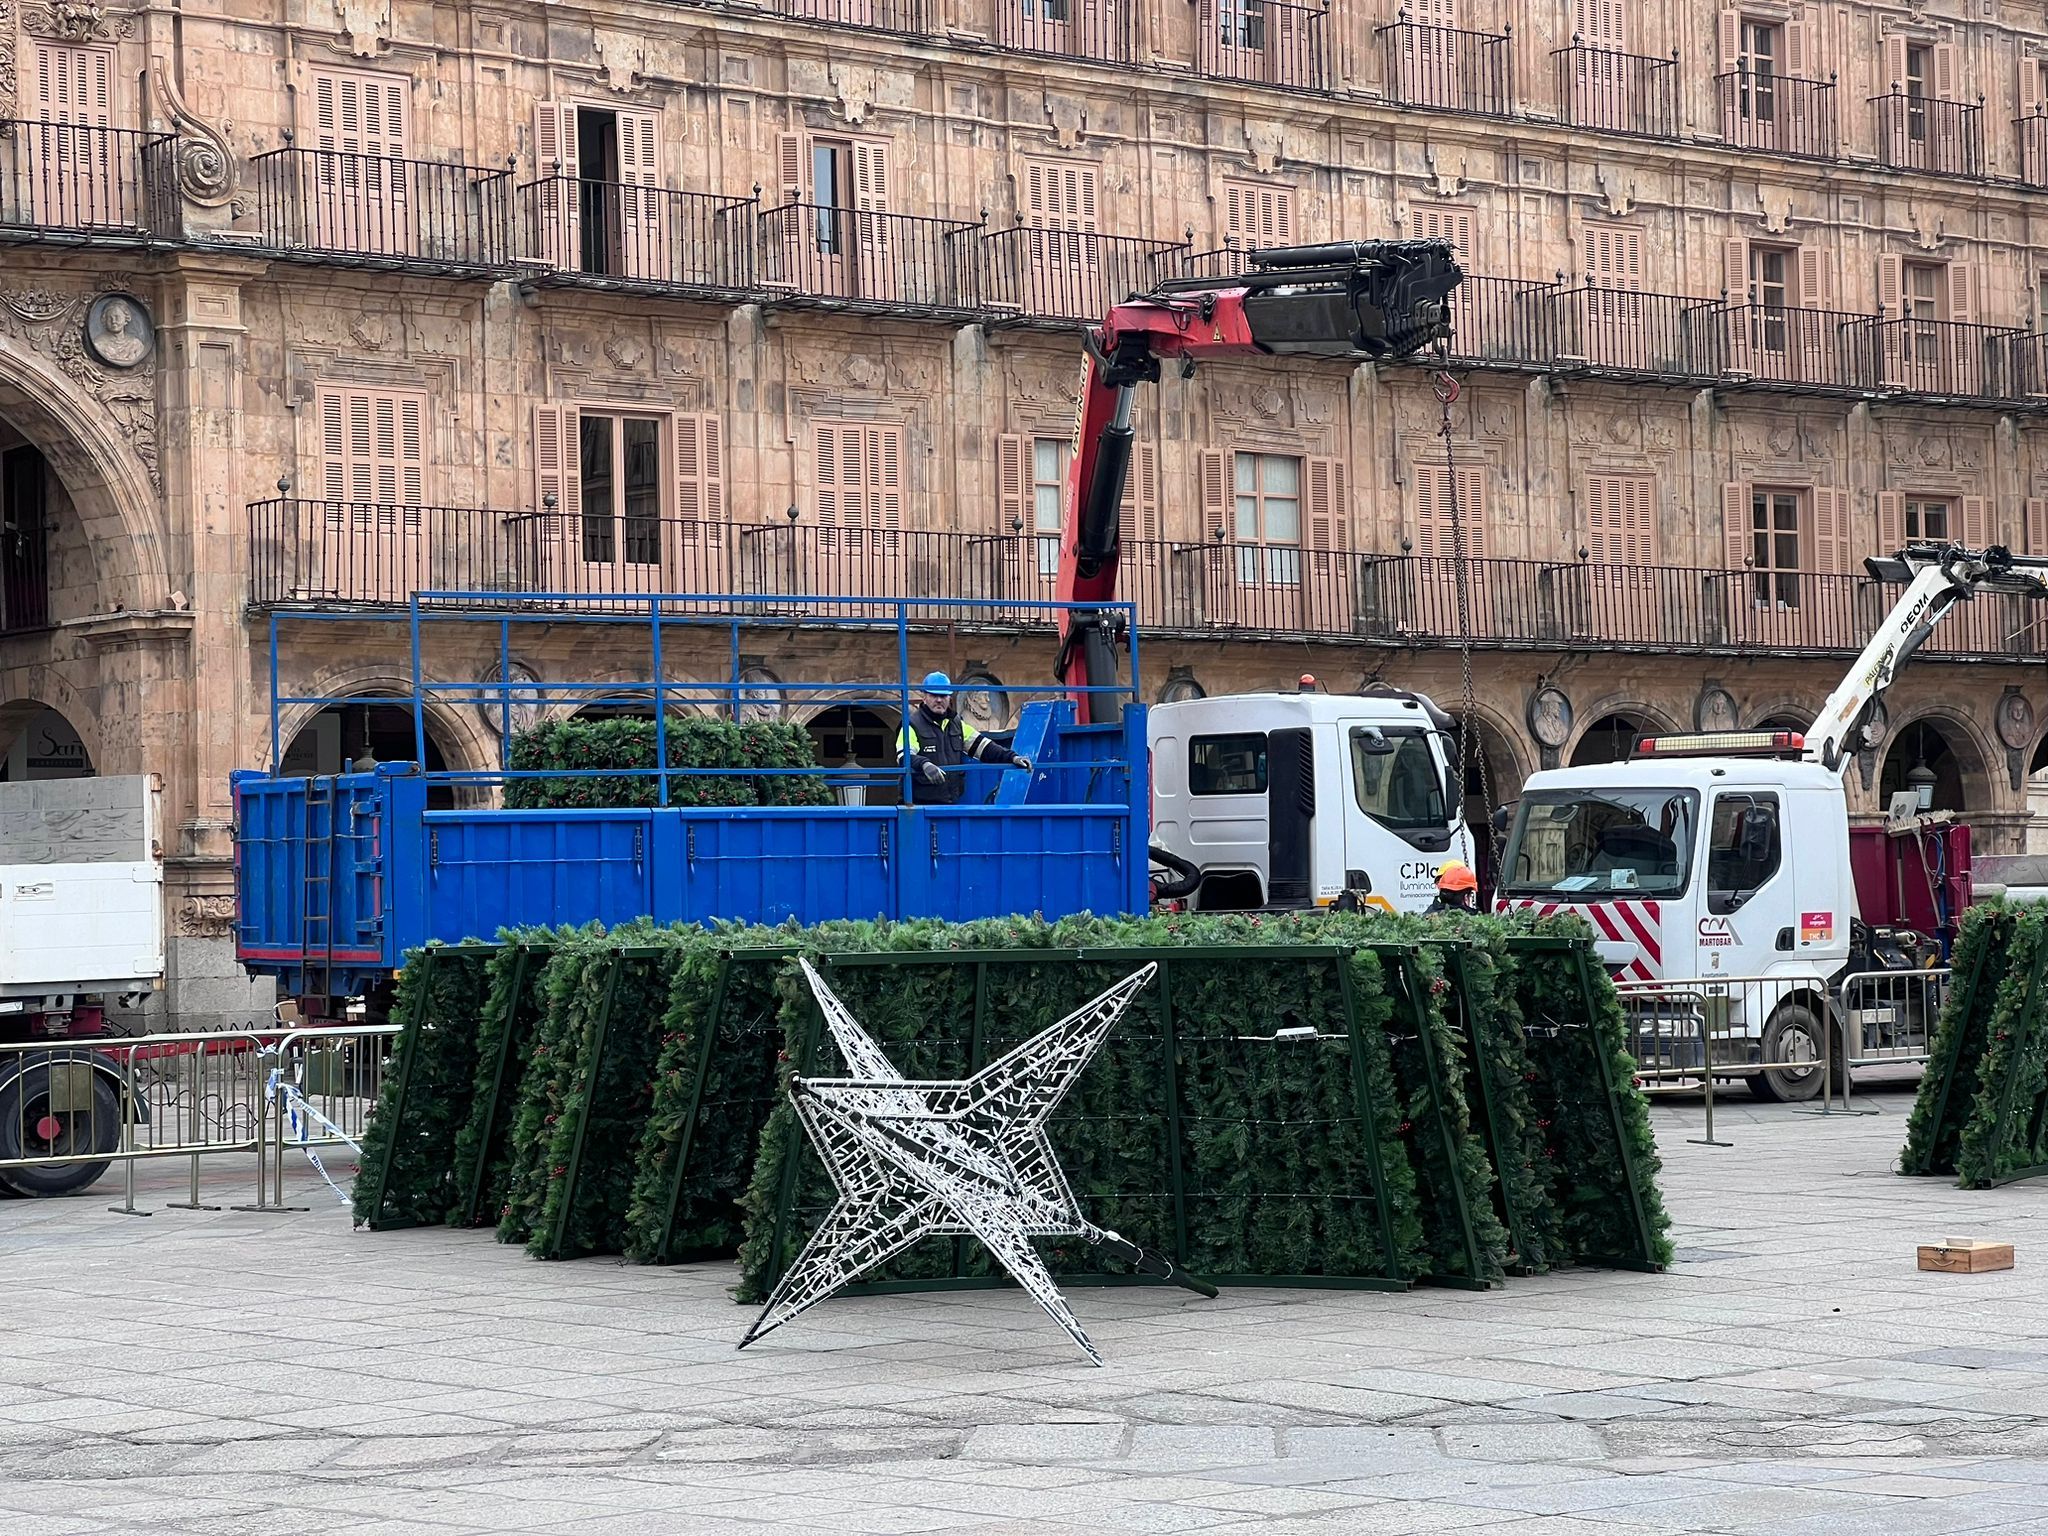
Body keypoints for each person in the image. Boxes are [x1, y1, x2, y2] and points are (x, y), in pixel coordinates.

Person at [897, 672, 1031, 805]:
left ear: (949, 698)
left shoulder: (957, 724)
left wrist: (1012, 757)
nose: (939, 700)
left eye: (943, 695)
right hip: (918, 807)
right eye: (934, 695)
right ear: (924, 697)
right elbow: (904, 755)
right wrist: (924, 764)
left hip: (950, 804)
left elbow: (983, 747)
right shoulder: (911, 724)